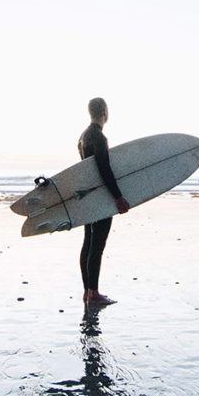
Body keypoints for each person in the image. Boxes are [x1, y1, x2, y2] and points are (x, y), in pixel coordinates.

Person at [77, 97, 129, 306]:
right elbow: (104, 169)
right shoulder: (99, 137)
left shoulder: (83, 136)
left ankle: (88, 292)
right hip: (101, 196)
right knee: (97, 244)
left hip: (88, 196)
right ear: (105, 113)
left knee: (88, 242)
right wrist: (118, 197)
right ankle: (94, 292)